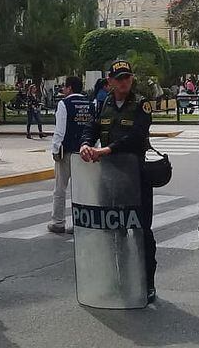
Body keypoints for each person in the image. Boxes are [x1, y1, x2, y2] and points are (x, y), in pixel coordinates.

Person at [79, 60, 157, 303]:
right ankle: (119, 281)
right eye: (119, 78)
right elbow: (90, 128)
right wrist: (85, 144)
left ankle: (147, 284)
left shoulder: (141, 105)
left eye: (127, 77)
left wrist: (107, 150)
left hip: (135, 178)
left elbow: (136, 136)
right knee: (114, 232)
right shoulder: (103, 104)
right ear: (110, 81)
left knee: (141, 231)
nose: (124, 82)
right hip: (109, 178)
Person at [47, 76, 93, 234]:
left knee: (60, 188)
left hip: (67, 152)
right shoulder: (90, 104)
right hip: (85, 151)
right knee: (81, 190)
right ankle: (80, 223)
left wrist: (55, 149)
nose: (63, 90)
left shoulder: (64, 104)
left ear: (70, 88)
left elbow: (60, 130)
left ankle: (58, 222)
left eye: (65, 87)